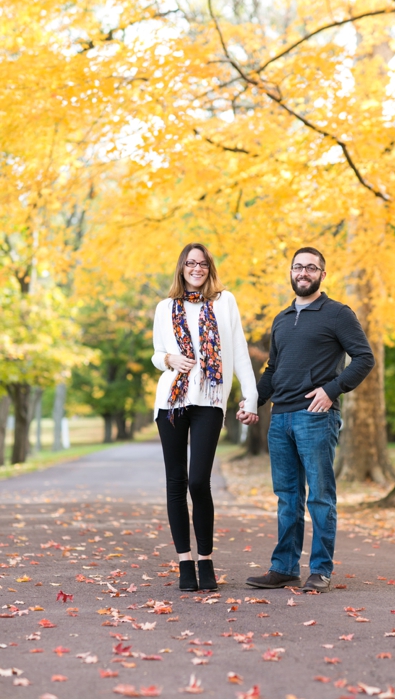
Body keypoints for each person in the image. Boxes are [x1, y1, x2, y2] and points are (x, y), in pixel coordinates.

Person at [244, 247, 375, 593]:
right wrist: (253, 402)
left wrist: (332, 390)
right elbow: (272, 370)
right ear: (290, 271)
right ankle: (284, 567)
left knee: (319, 496)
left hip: (316, 418)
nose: (304, 272)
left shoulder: (337, 314)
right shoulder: (282, 318)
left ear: (322, 274)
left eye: (311, 268)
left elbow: (364, 358)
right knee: (287, 497)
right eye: (298, 267)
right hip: (280, 420)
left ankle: (320, 570)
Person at [152, 243, 258, 591]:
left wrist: (251, 396)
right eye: (190, 263)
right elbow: (156, 353)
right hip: (172, 401)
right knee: (175, 483)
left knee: (198, 481)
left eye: (202, 263)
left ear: (209, 268)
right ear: (181, 267)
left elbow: (239, 350)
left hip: (210, 401)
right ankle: (185, 563)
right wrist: (169, 359)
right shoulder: (165, 307)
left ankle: (206, 559)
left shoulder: (224, 302)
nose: (196, 268)